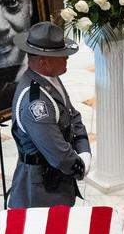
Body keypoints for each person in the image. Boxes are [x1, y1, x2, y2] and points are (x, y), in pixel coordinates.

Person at [7, 22, 92, 209]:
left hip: (56, 182)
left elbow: (72, 116)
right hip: (41, 194)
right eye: (61, 56)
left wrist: (84, 151)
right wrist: (80, 166)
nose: (66, 59)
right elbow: (59, 155)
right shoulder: (35, 104)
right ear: (44, 63)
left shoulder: (49, 78)